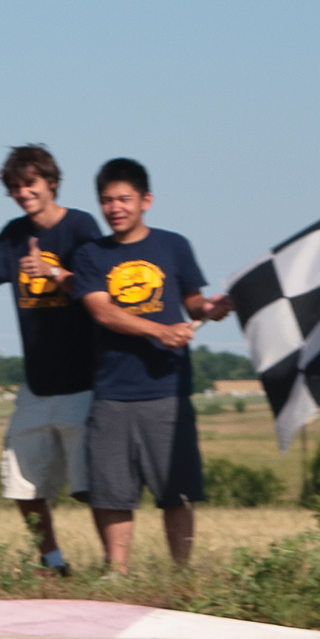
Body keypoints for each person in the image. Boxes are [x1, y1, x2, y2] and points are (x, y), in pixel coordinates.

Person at [70, 157, 231, 571]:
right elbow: (103, 313)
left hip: (168, 391)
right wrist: (160, 331)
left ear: (146, 200)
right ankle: (117, 573)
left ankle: (181, 576)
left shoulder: (174, 245)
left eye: (124, 199)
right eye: (106, 201)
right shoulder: (90, 255)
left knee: (175, 492)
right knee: (111, 492)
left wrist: (210, 308)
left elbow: (193, 301)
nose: (115, 208)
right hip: (113, 392)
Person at [0, 145, 105, 575]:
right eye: (16, 187)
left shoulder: (80, 226)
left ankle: (114, 567)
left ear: (51, 182)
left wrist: (55, 273)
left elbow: (100, 286)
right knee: (22, 481)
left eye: (31, 184)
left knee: (91, 486)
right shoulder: (12, 234)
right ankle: (52, 561)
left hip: (83, 382)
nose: (24, 193)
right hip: (36, 385)